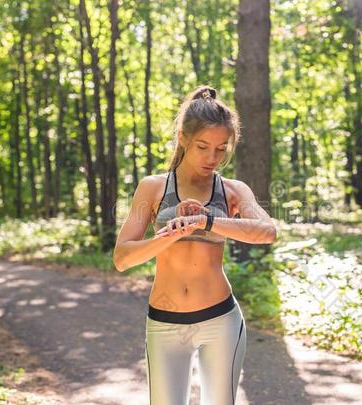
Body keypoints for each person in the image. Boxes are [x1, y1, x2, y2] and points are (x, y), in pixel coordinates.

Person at [113, 85, 277, 405]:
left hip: (221, 320)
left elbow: (267, 232)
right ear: (184, 138)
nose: (212, 157)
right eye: (203, 146)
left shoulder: (232, 189)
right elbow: (122, 258)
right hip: (164, 324)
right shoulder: (153, 188)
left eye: (221, 148)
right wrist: (169, 235)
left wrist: (208, 221)